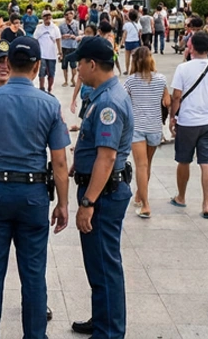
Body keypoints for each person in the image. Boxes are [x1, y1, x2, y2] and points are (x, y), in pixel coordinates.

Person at [0, 36, 71, 339]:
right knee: (34, 275)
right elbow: (60, 163)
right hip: (33, 197)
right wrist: (63, 204)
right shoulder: (50, 104)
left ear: (8, 64)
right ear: (37, 67)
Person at [61, 36, 133, 339]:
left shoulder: (108, 102)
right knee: (98, 262)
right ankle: (102, 318)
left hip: (103, 193)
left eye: (79, 64)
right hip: (99, 188)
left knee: (104, 263)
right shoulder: (102, 92)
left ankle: (109, 331)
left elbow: (107, 157)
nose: (77, 70)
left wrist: (88, 203)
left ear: (92, 64)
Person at [169, 32, 208, 218]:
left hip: (188, 122)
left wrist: (172, 117)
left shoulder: (183, 68)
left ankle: (181, 196)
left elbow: (177, 96)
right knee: (207, 162)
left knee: (184, 160)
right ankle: (207, 204)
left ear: (192, 47)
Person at [123, 47, 169, 218]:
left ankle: (146, 204)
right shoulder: (161, 79)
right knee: (147, 164)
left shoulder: (130, 82)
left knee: (140, 166)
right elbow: (167, 101)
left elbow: (123, 103)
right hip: (155, 128)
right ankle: (139, 195)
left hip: (137, 128)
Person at [34, 9, 63, 93]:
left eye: (49, 15)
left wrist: (60, 52)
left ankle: (49, 89)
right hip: (42, 54)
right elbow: (35, 39)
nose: (47, 17)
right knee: (41, 73)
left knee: (51, 73)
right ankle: (42, 88)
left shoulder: (55, 28)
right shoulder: (39, 28)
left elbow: (58, 40)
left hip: (52, 55)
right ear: (42, 17)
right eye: (45, 16)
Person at [60, 10, 81, 87]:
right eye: (67, 15)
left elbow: (78, 34)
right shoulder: (61, 25)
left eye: (70, 14)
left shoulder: (76, 23)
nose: (69, 16)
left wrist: (74, 37)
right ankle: (66, 80)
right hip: (64, 46)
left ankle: (73, 79)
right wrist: (63, 36)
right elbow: (59, 36)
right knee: (64, 64)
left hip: (73, 45)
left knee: (73, 64)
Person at [121, 10, 142, 75]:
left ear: (129, 17)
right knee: (134, 58)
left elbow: (124, 35)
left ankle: (127, 70)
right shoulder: (138, 25)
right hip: (136, 42)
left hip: (128, 42)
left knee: (127, 57)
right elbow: (140, 35)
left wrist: (122, 43)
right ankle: (133, 70)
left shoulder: (126, 25)